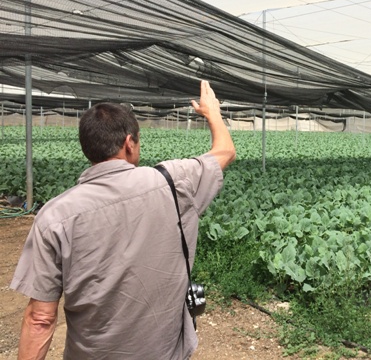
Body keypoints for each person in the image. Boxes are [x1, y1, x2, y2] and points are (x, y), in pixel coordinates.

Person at [11, 80, 236, 360]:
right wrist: (212, 112)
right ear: (129, 143)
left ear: (87, 148)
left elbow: (40, 319)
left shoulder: (55, 215)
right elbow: (225, 151)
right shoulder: (174, 181)